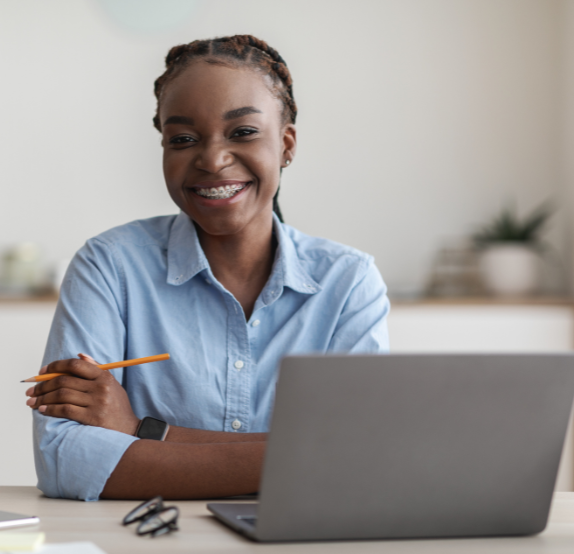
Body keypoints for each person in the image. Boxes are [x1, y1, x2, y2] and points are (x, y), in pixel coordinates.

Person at [26, 35, 389, 501]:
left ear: (287, 144)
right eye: (183, 139)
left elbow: (362, 460)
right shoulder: (110, 266)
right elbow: (66, 461)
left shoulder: (348, 283)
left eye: (243, 132)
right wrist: (306, 458)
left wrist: (144, 431)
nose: (213, 160)